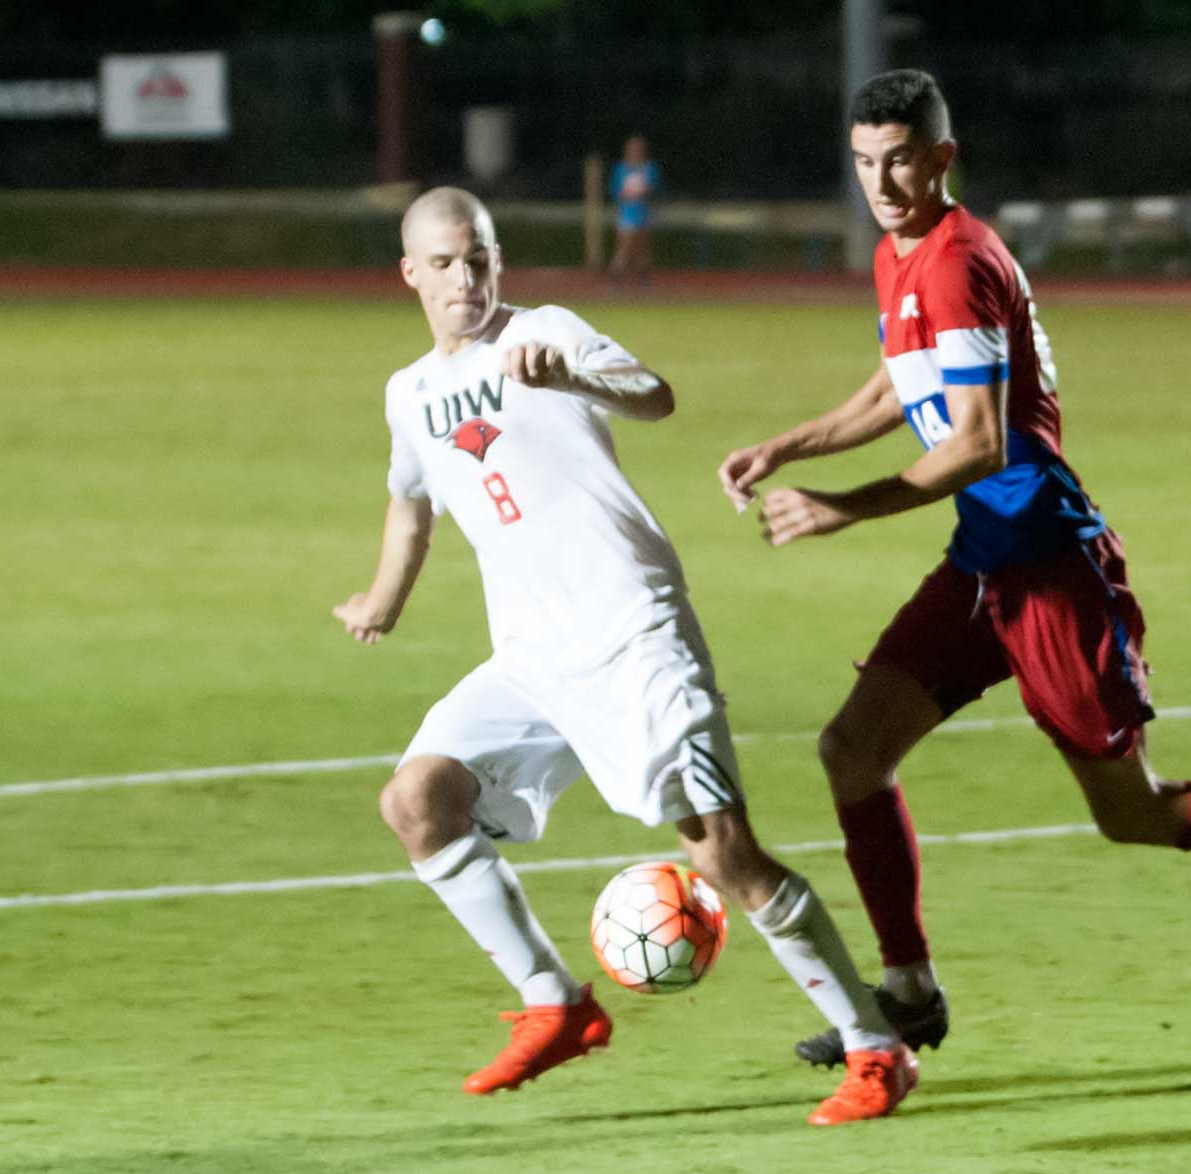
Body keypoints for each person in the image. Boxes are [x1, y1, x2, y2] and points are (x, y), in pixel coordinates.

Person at [714, 70, 1191, 1069]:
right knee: (852, 750)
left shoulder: (960, 262)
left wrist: (845, 506)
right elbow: (897, 384)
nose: (879, 182)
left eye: (899, 160)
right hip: (985, 561)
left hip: (1054, 569)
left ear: (942, 158)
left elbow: (978, 443)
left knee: (1132, 811)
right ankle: (909, 991)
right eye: (864, 162)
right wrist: (787, 445)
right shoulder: (899, 254)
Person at [333, 186, 915, 1124]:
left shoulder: (547, 330)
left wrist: (573, 377)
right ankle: (556, 1005)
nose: (465, 279)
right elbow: (412, 505)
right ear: (410, 273)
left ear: (498, 260)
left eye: (479, 259)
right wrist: (380, 602)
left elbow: (655, 394)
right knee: (416, 801)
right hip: (531, 657)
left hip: (633, 632)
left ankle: (876, 1047)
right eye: (443, 264)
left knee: (723, 855)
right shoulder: (410, 393)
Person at [609, 134, 659, 289]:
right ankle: (616, 282)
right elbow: (616, 191)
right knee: (624, 249)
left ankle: (644, 282)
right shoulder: (621, 169)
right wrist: (627, 194)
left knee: (642, 250)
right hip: (626, 215)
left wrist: (643, 192)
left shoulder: (649, 168)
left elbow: (652, 189)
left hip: (643, 214)